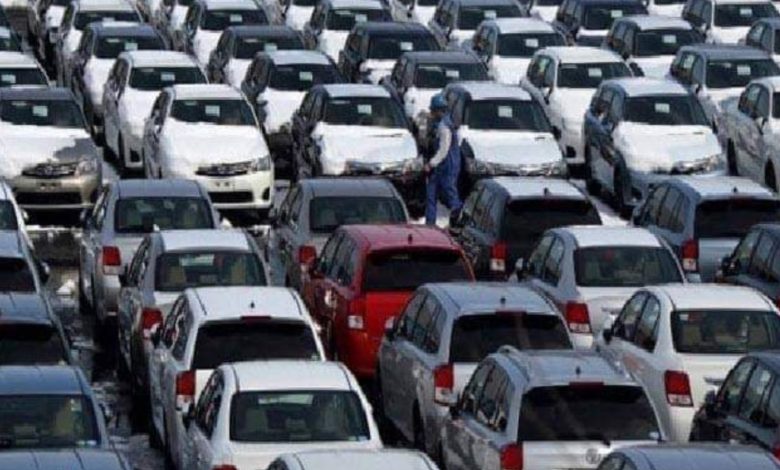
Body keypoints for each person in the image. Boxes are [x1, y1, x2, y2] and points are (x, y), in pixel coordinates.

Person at [425, 94, 462, 225]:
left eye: (433, 111)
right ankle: (430, 223)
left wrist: (431, 164)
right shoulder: (441, 124)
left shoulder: (444, 127)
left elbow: (443, 150)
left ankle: (459, 218)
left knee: (449, 193)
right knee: (431, 194)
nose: (431, 113)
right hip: (441, 166)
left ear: (439, 110)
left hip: (447, 166)